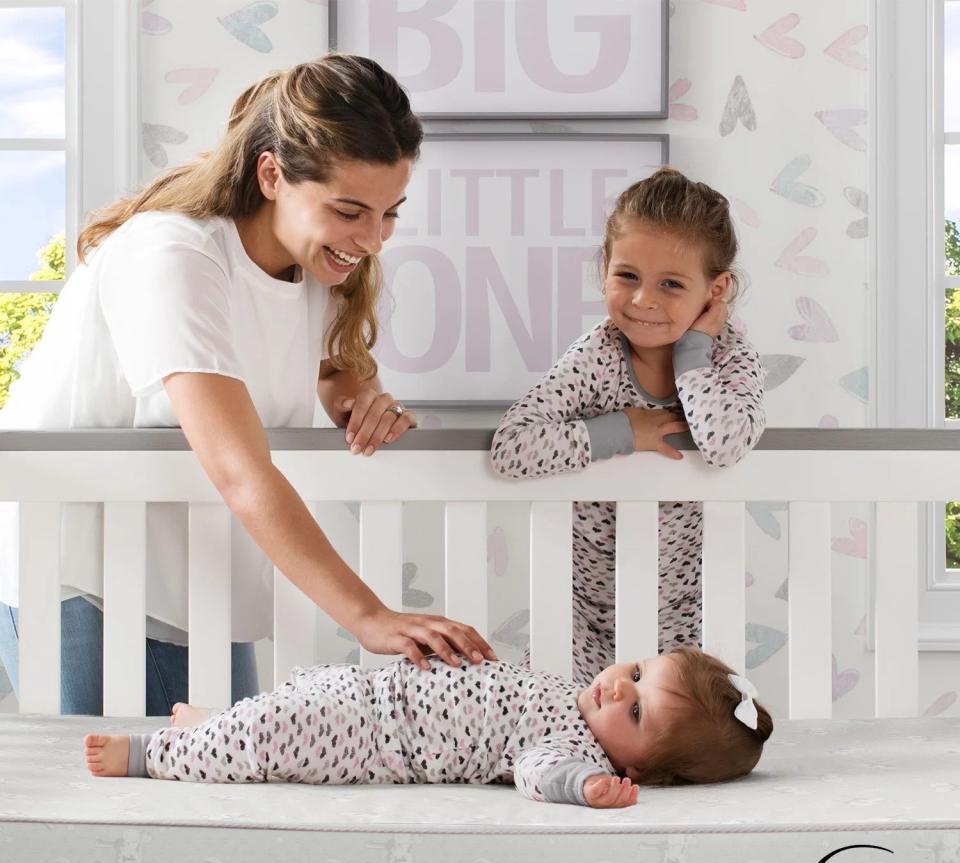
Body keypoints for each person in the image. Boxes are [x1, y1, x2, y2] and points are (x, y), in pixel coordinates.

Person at [0, 54, 495, 716]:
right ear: (271, 175)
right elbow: (239, 469)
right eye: (350, 211)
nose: (373, 239)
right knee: (105, 795)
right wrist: (368, 616)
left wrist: (361, 394)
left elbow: (323, 362)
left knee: (223, 785)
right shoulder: (174, 256)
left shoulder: (315, 270)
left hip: (199, 583)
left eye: (389, 213)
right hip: (80, 572)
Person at [490, 167, 765, 687]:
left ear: (717, 288)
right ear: (604, 270)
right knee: (555, 723)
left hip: (686, 612)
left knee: (681, 741)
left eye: (671, 284)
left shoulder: (728, 358)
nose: (643, 300)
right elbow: (512, 446)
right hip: (582, 611)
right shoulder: (599, 355)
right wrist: (622, 431)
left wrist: (693, 353)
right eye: (627, 276)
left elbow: (725, 444)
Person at [83, 647, 773, 807]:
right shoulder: (579, 695)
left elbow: (541, 776)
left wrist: (587, 787)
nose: (618, 685)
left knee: (270, 737)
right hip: (370, 689)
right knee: (275, 710)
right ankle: (215, 723)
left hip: (371, 739)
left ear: (640, 771)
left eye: (635, 710)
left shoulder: (572, 748)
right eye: (638, 672)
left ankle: (153, 753)